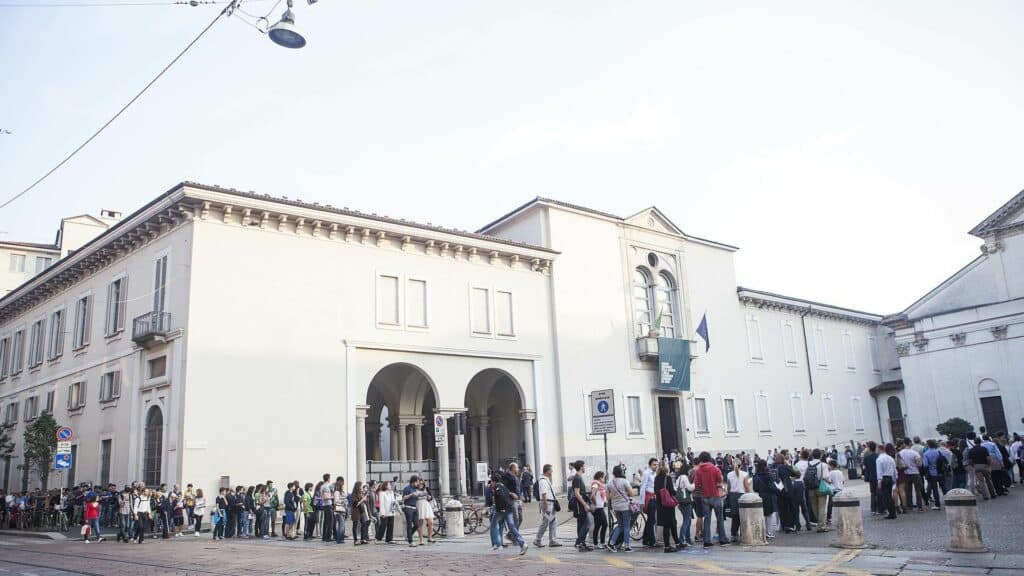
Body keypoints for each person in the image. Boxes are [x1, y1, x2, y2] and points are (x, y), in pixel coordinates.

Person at [694, 451, 729, 547]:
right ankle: (722, 539)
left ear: (701, 459)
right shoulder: (715, 469)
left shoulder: (698, 471)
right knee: (720, 518)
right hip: (716, 496)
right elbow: (720, 480)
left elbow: (697, 485)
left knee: (707, 519)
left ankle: (707, 541)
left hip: (704, 497)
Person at [491, 472, 528, 555]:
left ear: (494, 481)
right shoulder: (504, 486)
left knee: (493, 524)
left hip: (502, 510)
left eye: (491, 482)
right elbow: (509, 495)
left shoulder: (497, 487)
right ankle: (523, 544)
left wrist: (500, 509)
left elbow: (501, 497)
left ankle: (497, 544)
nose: (491, 484)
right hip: (509, 509)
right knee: (512, 527)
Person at [654, 464, 681, 552]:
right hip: (668, 504)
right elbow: (672, 491)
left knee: (667, 525)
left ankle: (673, 543)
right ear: (666, 470)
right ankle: (669, 546)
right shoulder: (667, 478)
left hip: (660, 505)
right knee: (672, 524)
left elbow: (655, 491)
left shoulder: (656, 479)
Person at [533, 464, 561, 549]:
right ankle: (538, 539)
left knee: (552, 521)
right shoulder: (543, 481)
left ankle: (552, 540)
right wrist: (545, 505)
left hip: (550, 503)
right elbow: (544, 494)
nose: (552, 472)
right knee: (546, 522)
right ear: (547, 471)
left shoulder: (546, 480)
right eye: (551, 470)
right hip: (547, 504)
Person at [803, 449, 831, 533]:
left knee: (814, 506)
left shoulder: (809, 464)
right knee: (822, 506)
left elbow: (805, 476)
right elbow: (826, 476)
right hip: (820, 486)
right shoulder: (823, 465)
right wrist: (829, 481)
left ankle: (818, 522)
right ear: (820, 455)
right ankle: (821, 526)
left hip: (811, 487)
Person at [607, 464, 634, 552]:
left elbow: (608, 497)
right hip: (625, 506)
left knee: (620, 526)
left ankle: (611, 543)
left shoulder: (610, 483)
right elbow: (631, 493)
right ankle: (627, 546)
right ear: (621, 472)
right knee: (626, 526)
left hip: (616, 507)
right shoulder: (624, 481)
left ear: (613, 473)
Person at [751, 460, 781, 539]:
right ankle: (768, 532)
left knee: (762, 515)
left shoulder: (755, 476)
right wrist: (778, 490)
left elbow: (755, 488)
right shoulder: (768, 475)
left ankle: (762, 532)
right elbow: (772, 487)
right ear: (765, 466)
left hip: (760, 496)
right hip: (768, 497)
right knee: (769, 515)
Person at [569, 460, 593, 551]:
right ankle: (580, 542)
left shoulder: (578, 477)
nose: (585, 467)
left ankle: (581, 543)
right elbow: (577, 493)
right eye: (584, 466)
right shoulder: (577, 478)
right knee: (587, 523)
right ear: (581, 467)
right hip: (580, 505)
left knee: (581, 523)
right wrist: (585, 505)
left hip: (580, 504)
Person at [898, 441, 928, 511]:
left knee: (908, 491)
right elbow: (919, 464)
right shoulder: (914, 453)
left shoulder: (900, 453)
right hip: (915, 473)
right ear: (910, 445)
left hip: (906, 473)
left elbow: (899, 464)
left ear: (905, 444)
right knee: (918, 490)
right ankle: (919, 506)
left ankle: (909, 505)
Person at [726, 460, 751, 540]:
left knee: (734, 515)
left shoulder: (729, 474)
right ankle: (744, 533)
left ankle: (734, 534)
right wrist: (749, 494)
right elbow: (746, 487)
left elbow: (728, 487)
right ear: (741, 465)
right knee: (743, 515)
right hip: (742, 495)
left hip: (732, 495)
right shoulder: (745, 474)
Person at [922, 440, 946, 510]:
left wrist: (926, 473)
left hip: (932, 473)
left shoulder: (926, 454)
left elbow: (925, 465)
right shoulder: (938, 451)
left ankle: (937, 504)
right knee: (943, 488)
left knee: (935, 489)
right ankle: (948, 501)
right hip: (940, 472)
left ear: (928, 445)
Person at [639, 458, 658, 547]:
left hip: (654, 497)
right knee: (651, 520)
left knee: (651, 519)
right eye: (654, 464)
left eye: (657, 464)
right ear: (650, 465)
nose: (656, 466)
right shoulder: (647, 473)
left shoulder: (655, 474)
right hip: (649, 498)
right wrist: (642, 502)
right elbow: (642, 487)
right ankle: (651, 540)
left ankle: (646, 539)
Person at [877, 443, 898, 519]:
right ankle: (893, 512)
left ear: (879, 449)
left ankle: (891, 513)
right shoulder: (890, 458)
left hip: (884, 478)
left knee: (886, 496)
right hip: (890, 477)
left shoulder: (879, 459)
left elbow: (879, 471)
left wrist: (879, 481)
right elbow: (894, 469)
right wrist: (895, 478)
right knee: (890, 495)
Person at [590, 471, 609, 549]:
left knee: (603, 524)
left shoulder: (600, 486)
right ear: (600, 477)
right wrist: (595, 504)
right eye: (604, 477)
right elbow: (592, 496)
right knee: (601, 525)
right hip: (598, 508)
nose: (604, 479)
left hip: (600, 507)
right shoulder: (595, 484)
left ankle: (601, 542)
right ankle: (596, 543)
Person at [401, 477, 421, 547]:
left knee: (417, 525)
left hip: (415, 508)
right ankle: (410, 541)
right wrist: (411, 495)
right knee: (409, 525)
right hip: (408, 508)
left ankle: (409, 535)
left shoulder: (415, 489)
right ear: (413, 482)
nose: (418, 484)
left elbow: (417, 498)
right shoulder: (407, 488)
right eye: (417, 482)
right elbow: (403, 498)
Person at [862, 441, 879, 515]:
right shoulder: (878, 456)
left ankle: (873, 509)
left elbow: (864, 467)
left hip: (871, 477)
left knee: (873, 493)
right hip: (878, 476)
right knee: (879, 493)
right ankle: (880, 508)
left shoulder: (866, 457)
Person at [825, 460, 845, 524]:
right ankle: (842, 517)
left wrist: (825, 480)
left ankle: (829, 518)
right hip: (840, 490)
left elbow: (830, 481)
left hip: (833, 491)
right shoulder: (840, 472)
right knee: (840, 505)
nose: (828, 466)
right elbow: (843, 481)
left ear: (831, 465)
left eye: (829, 465)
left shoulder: (830, 473)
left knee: (830, 505)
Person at [416, 479, 434, 545]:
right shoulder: (415, 490)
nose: (421, 485)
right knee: (420, 523)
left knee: (431, 522)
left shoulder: (426, 489)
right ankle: (421, 540)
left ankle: (430, 537)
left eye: (422, 484)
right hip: (419, 505)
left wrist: (430, 497)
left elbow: (431, 497)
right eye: (419, 484)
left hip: (426, 505)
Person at [333, 477, 348, 544]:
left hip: (343, 510)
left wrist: (345, 501)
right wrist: (343, 501)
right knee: (341, 525)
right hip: (339, 511)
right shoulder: (336, 492)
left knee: (342, 525)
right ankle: (339, 539)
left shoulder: (342, 492)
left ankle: (341, 538)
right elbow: (336, 501)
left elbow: (346, 499)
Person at [320, 474, 335, 542]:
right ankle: (328, 537)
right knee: (330, 521)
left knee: (326, 521)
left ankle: (324, 537)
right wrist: (332, 497)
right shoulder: (326, 486)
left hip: (325, 505)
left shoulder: (322, 486)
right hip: (328, 505)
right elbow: (325, 497)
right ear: (328, 479)